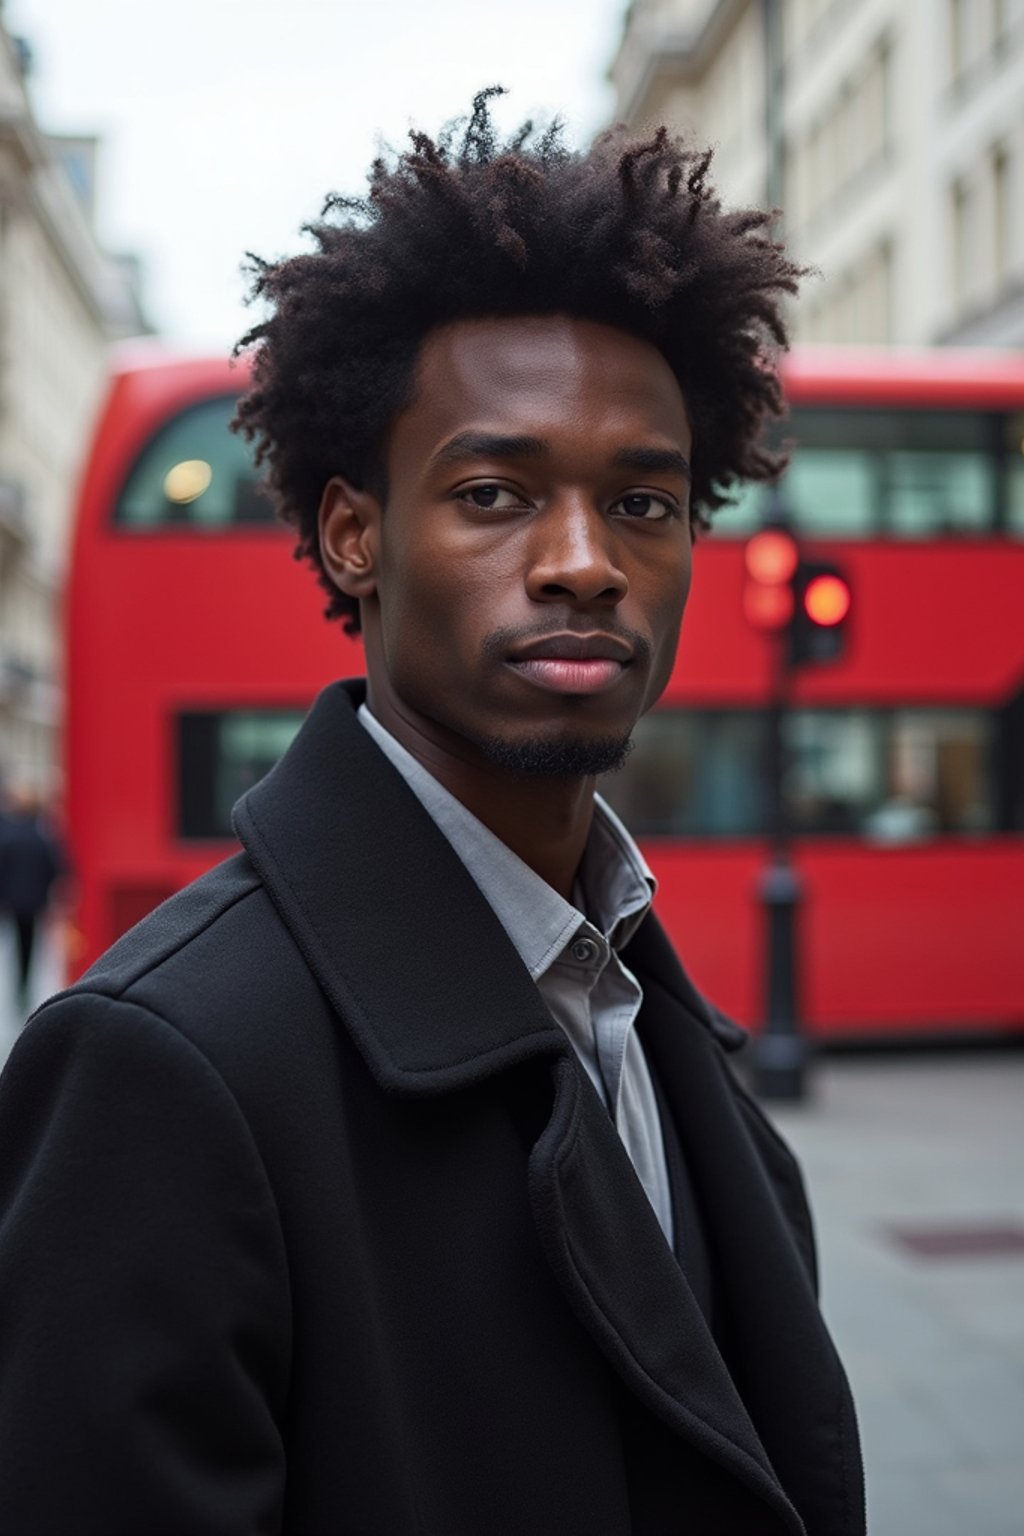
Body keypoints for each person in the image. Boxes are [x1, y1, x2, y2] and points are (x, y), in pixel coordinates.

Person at [0, 93, 864, 1535]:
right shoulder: (158, 1067)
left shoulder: (655, 1014)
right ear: (356, 534)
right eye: (493, 491)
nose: (585, 563)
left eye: (644, 505)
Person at [0, 783, 63, 1011]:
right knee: (29, 945)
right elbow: (54, 868)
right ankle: (24, 986)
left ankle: (17, 986)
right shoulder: (43, 838)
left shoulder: (7, 837)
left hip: (12, 902)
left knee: (13, 943)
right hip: (35, 902)